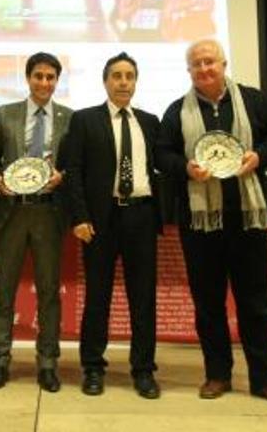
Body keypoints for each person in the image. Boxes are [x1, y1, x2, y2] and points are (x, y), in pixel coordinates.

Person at [155, 39, 267, 406]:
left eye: (209, 62)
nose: (204, 69)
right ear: (189, 71)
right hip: (200, 224)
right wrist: (185, 168)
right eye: (196, 64)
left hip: (247, 219)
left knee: (256, 303)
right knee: (208, 304)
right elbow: (162, 154)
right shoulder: (177, 111)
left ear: (223, 63)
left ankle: (266, 379)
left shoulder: (253, 100)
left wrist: (258, 156)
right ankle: (217, 374)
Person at [66, 52, 162, 399]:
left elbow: (161, 166)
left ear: (136, 82)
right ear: (105, 81)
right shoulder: (84, 120)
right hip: (99, 222)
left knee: (143, 298)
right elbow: (73, 171)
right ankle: (92, 367)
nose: (124, 82)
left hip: (141, 216)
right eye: (117, 76)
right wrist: (79, 217)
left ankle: (144, 370)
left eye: (130, 76)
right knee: (97, 297)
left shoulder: (150, 122)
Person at [0, 52, 73, 392]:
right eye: (38, 76)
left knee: (49, 292)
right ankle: (0, 360)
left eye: (51, 77)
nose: (44, 83)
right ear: (28, 77)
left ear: (57, 81)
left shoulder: (70, 118)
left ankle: (48, 363)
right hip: (12, 212)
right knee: (3, 291)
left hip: (49, 213)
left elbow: (75, 165)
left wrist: (62, 176)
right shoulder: (4, 114)